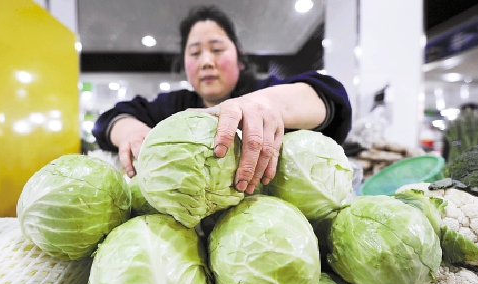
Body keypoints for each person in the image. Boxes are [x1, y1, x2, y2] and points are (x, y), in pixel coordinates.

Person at [92, 5, 352, 195]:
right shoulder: (174, 107)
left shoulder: (264, 90)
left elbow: (331, 97)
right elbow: (111, 119)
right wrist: (130, 130)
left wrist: (265, 105)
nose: (206, 61)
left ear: (239, 58)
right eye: (195, 53)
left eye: (217, 50)